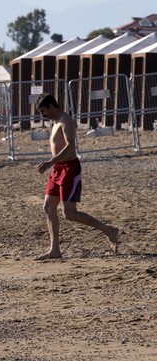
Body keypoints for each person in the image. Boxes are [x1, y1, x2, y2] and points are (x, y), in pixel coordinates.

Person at [34, 94, 119, 260]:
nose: (43, 115)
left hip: (69, 169)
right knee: (48, 207)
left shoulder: (66, 121)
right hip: (57, 169)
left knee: (70, 213)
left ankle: (109, 230)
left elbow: (71, 145)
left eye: (44, 111)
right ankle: (54, 250)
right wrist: (53, 164)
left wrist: (50, 162)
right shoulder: (55, 123)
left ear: (52, 106)